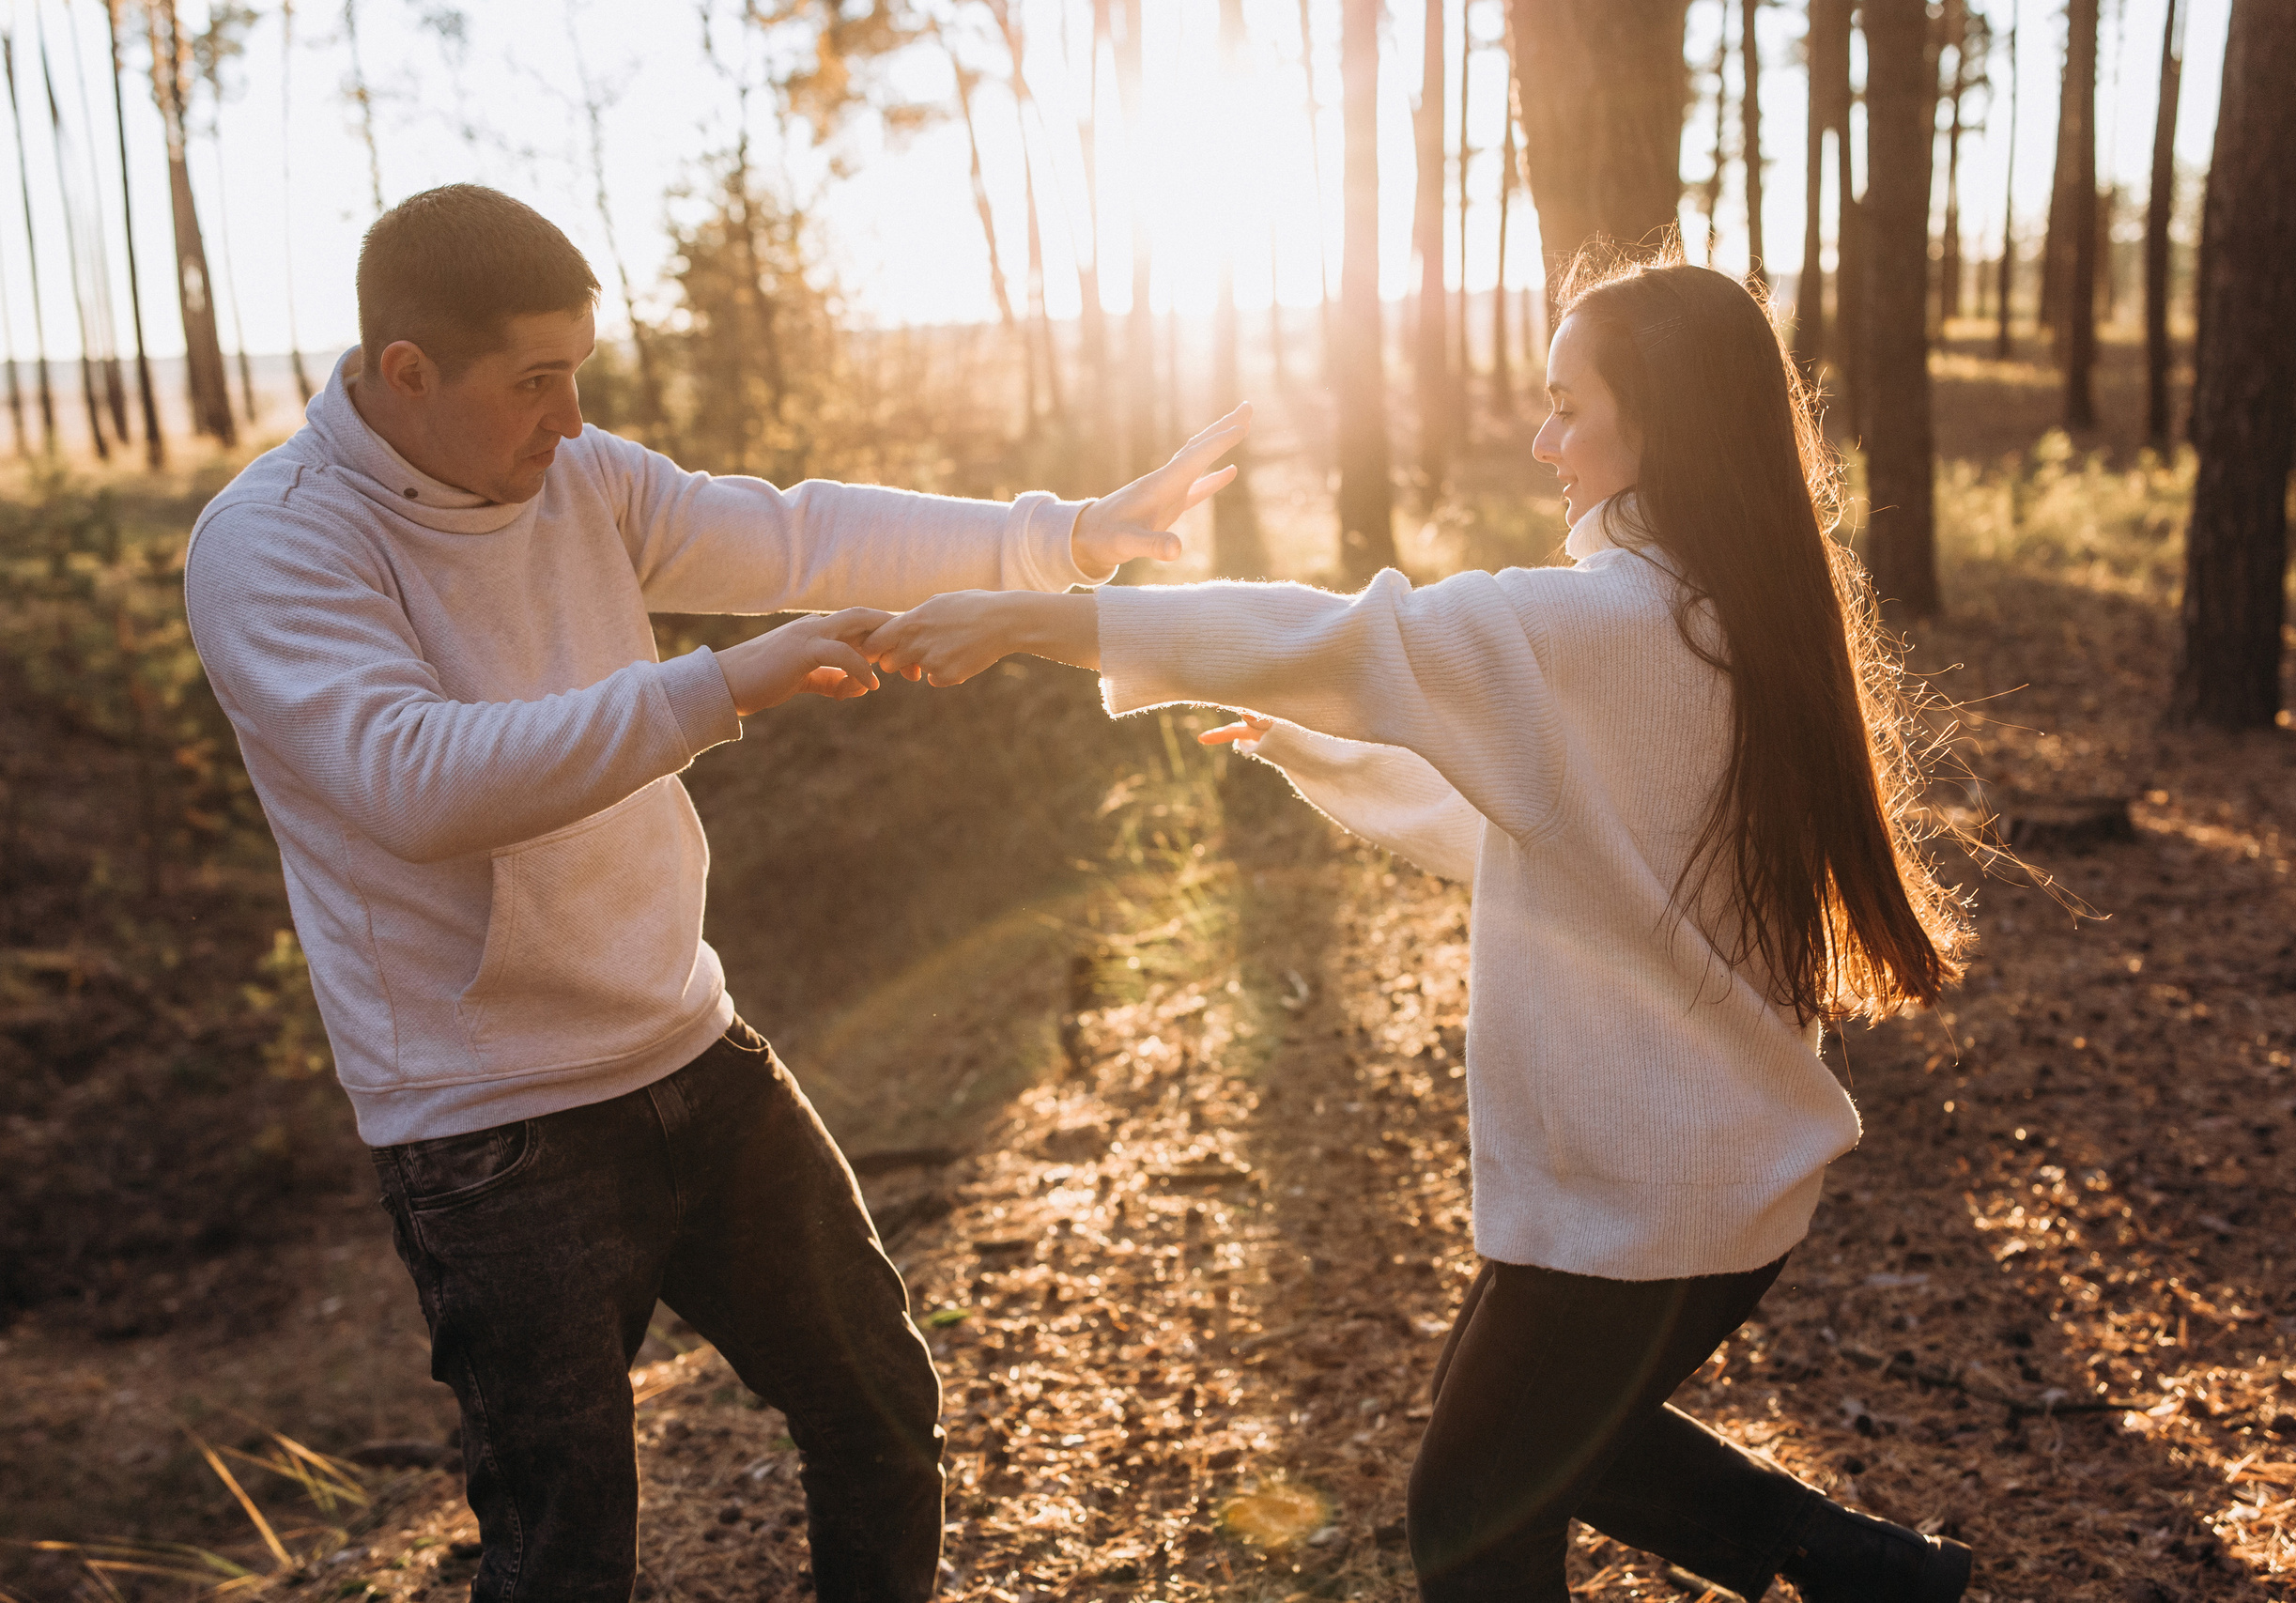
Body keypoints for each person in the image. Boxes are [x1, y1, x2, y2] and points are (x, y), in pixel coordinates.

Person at [860, 255, 1979, 1603]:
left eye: (1570, 407)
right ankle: (1868, 1574)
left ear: (1661, 429)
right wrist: (1305, 745)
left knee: (1474, 1519)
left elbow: (1343, 632)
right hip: (1695, 1174)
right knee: (1555, 1448)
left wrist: (1037, 617)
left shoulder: (1606, 619)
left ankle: (1863, 1572)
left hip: (1645, 1192)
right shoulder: (1710, 612)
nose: (1541, 437)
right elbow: (1544, 831)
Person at [180, 184, 1238, 1603]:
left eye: (579, 379)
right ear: (405, 372)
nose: (567, 423)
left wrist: (1064, 537)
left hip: (690, 1047)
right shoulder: (273, 544)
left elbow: (792, 533)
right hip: (489, 1124)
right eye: (535, 383)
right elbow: (414, 781)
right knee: (566, 1550)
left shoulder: (576, 477)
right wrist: (723, 682)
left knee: (876, 1400)